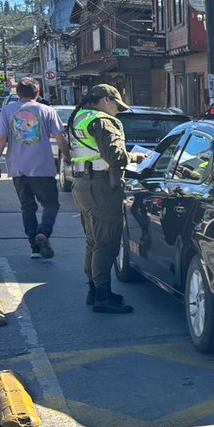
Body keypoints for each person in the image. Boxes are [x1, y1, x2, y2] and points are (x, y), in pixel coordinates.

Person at [67, 84, 133, 314]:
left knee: (93, 242)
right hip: (101, 186)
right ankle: (103, 296)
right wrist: (134, 156)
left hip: (82, 184)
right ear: (105, 100)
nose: (117, 111)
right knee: (106, 242)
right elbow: (115, 156)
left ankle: (94, 291)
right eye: (117, 105)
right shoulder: (103, 121)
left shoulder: (79, 117)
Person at [0, 77, 68, 260]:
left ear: (17, 94)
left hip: (18, 168)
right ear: (38, 93)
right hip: (42, 168)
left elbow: (1, 139)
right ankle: (43, 232)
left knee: (27, 207)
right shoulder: (48, 111)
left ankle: (34, 246)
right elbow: (60, 138)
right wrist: (68, 157)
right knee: (51, 204)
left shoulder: (8, 110)